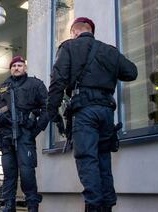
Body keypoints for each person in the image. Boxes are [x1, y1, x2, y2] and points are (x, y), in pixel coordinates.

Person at [47, 17, 137, 212]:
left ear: (75, 32)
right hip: (106, 112)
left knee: (87, 160)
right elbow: (131, 72)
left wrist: (51, 110)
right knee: (103, 160)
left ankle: (94, 207)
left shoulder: (69, 47)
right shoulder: (109, 51)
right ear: (91, 31)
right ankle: (107, 207)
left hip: (84, 111)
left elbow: (58, 80)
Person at [0, 55, 49, 212]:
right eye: (14, 65)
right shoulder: (3, 87)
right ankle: (9, 205)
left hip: (25, 135)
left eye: (20, 65)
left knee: (27, 172)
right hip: (6, 137)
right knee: (9, 174)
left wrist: (35, 129)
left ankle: (32, 206)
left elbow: (47, 108)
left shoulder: (35, 84)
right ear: (10, 68)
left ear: (25, 67)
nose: (17, 68)